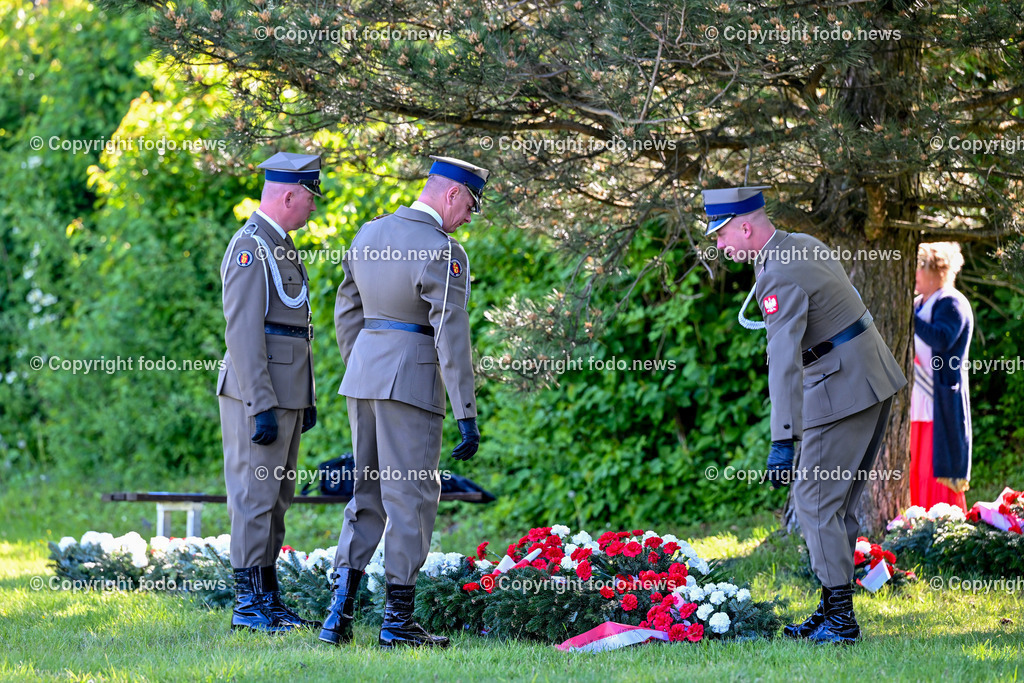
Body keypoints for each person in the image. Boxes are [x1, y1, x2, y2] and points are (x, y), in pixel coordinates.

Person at [704, 185, 907, 645]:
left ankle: (841, 622)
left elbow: (783, 359)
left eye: (720, 234)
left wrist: (782, 441)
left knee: (815, 505)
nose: (717, 245)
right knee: (837, 507)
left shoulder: (777, 273)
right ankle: (831, 609)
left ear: (745, 226)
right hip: (869, 380)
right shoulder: (800, 245)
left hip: (840, 388)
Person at [320, 155, 487, 649]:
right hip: (411, 382)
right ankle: (397, 622)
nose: (470, 217)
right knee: (411, 498)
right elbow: (451, 336)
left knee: (365, 495)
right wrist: (466, 413)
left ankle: (338, 615)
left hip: (363, 377)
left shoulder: (368, 233)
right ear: (453, 194)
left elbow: (345, 309)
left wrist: (363, 363)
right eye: (471, 206)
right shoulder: (443, 250)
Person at [216, 152, 322, 633]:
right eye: (309, 199)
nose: (313, 209)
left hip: (287, 394)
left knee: (277, 498)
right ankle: (246, 605)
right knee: (254, 496)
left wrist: (309, 396)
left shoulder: (280, 245)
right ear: (288, 195)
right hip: (259, 395)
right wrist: (260, 404)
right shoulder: (250, 247)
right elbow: (242, 334)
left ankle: (267, 597)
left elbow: (297, 331)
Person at [910, 242, 973, 511]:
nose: (914, 274)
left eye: (919, 268)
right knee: (916, 469)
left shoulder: (951, 302)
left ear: (936, 272)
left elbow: (943, 338)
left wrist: (908, 316)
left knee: (935, 470)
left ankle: (942, 527)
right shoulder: (918, 304)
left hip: (941, 401)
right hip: (917, 399)